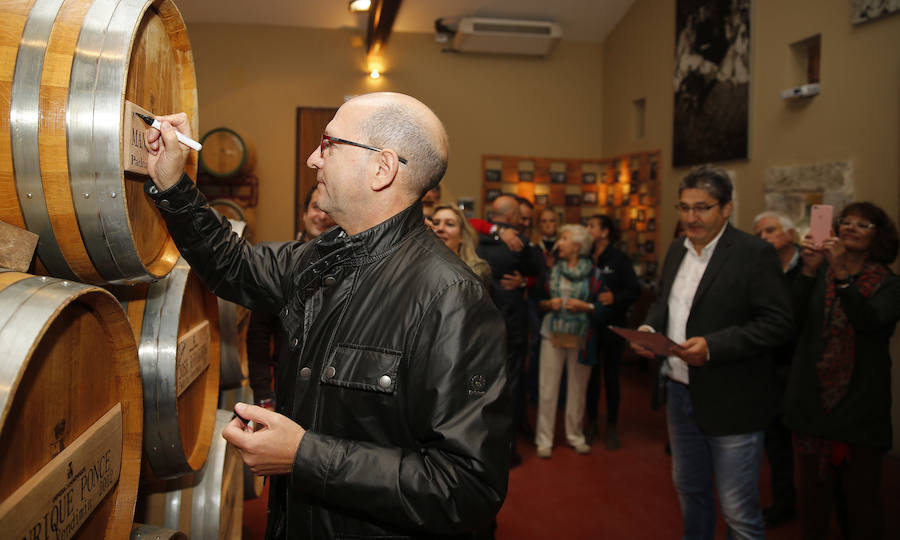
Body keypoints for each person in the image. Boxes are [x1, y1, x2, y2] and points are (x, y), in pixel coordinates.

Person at [143, 92, 511, 538]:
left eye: (329, 143)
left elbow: (466, 488)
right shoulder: (323, 255)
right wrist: (173, 184)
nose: (313, 158)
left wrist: (303, 455)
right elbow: (234, 266)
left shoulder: (452, 298)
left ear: (383, 167)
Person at [631, 166, 792, 540]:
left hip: (732, 397)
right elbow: (663, 304)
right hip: (678, 392)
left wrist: (714, 347)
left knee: (737, 512)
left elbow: (779, 323)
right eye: (684, 208)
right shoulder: (676, 250)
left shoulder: (753, 254)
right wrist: (649, 329)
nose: (691, 217)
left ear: (727, 208)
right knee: (691, 491)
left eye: (702, 208)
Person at [785, 202, 900, 540]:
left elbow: (868, 322)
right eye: (845, 222)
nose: (850, 228)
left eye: (863, 225)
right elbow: (789, 320)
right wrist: (807, 270)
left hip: (859, 406)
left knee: (861, 503)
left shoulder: (890, 285)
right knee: (813, 501)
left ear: (879, 238)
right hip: (812, 403)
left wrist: (840, 274)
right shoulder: (818, 272)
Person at [246, 185, 336, 407]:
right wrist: (263, 393)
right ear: (304, 214)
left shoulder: (343, 268)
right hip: (286, 389)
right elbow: (259, 335)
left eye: (329, 210)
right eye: (316, 207)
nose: (322, 216)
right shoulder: (283, 265)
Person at [477, 194, 543, 466]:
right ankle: (508, 448)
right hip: (511, 327)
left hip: (481, 325)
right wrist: (527, 281)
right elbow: (542, 273)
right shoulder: (519, 243)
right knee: (511, 385)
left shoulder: (474, 240)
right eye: (520, 215)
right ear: (513, 217)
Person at [533, 224, 608, 458]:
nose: (559, 243)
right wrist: (548, 304)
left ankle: (575, 435)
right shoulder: (550, 270)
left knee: (578, 388)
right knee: (547, 388)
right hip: (552, 334)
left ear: (577, 246)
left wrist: (586, 306)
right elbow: (537, 299)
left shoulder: (594, 274)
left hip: (581, 336)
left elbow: (604, 305)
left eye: (564, 239)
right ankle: (544, 440)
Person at [752, 210, 801, 528]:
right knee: (776, 442)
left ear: (791, 235)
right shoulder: (759, 270)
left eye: (770, 231)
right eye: (758, 234)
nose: (764, 238)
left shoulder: (812, 269)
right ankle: (784, 503)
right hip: (770, 366)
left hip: (803, 367)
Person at [583, 214, 640, 450]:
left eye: (592, 226)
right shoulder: (586, 256)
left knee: (612, 377)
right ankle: (592, 423)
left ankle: (612, 426)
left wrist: (615, 297)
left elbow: (634, 290)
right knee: (591, 377)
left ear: (605, 232)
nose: (588, 229)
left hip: (614, 325)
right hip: (589, 326)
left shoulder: (619, 259)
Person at [431, 203, 491, 283]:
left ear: (462, 236)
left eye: (450, 224)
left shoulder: (476, 270)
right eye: (435, 223)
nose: (440, 228)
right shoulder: (420, 265)